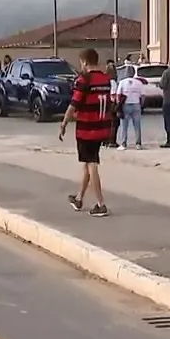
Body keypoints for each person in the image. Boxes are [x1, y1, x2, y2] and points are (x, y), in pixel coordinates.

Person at [59, 48, 111, 217]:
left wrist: (64, 123)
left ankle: (100, 204)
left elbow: (74, 104)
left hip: (86, 129)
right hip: (101, 127)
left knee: (92, 164)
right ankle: (79, 198)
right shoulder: (105, 79)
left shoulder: (84, 80)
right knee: (88, 164)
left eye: (81, 62)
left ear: (85, 62)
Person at [116, 68, 145, 149]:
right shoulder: (138, 83)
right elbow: (142, 96)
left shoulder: (122, 82)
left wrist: (118, 104)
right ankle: (138, 144)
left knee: (124, 125)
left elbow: (118, 95)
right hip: (136, 104)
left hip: (125, 105)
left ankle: (123, 143)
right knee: (137, 125)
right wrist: (141, 104)